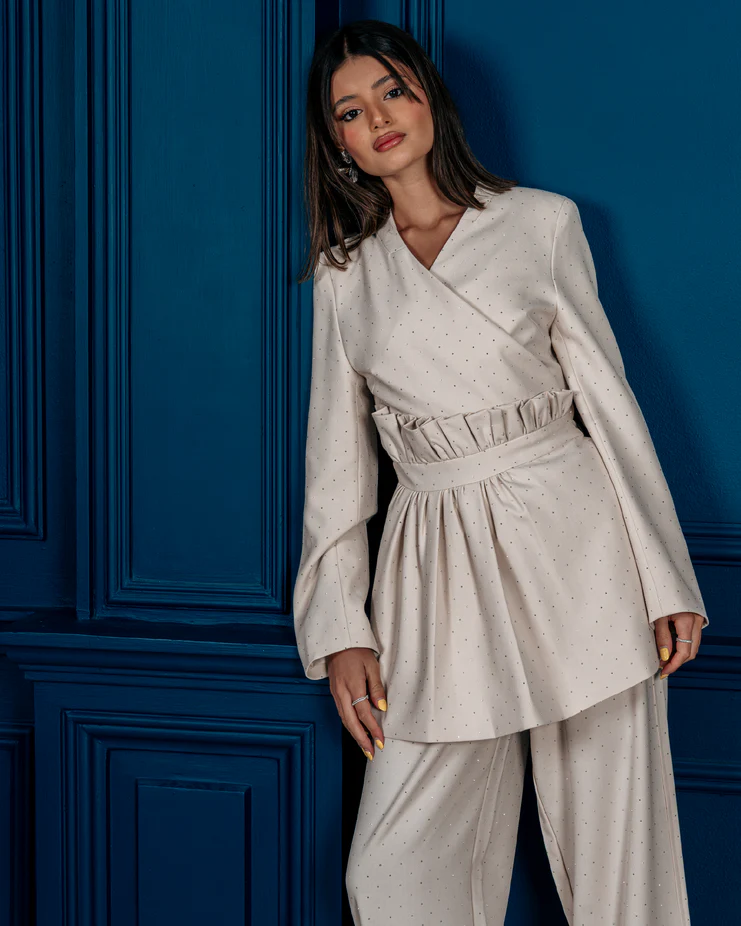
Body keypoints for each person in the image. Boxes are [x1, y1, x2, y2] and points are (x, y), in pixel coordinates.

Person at [292, 18, 708, 926]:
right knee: (389, 872)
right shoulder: (344, 276)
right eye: (350, 112)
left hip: (574, 540)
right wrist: (341, 628)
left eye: (392, 91)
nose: (378, 118)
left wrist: (665, 577)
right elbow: (335, 470)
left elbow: (610, 405)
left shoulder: (540, 223)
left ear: (428, 99)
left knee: (616, 849)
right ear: (338, 145)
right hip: (433, 560)